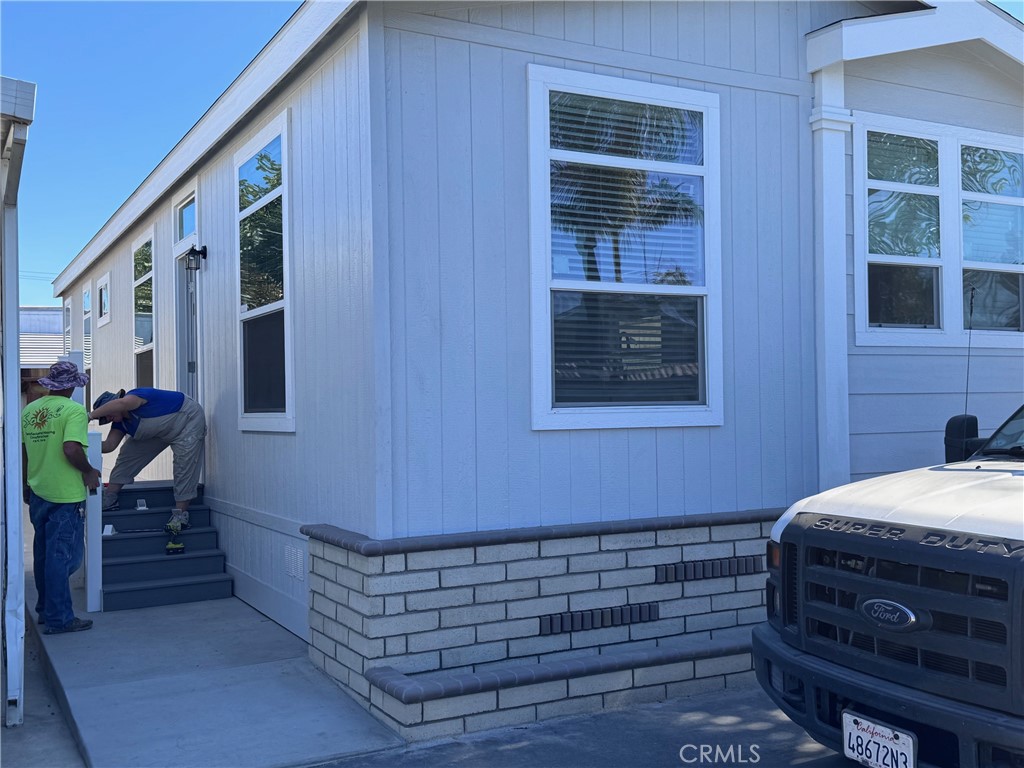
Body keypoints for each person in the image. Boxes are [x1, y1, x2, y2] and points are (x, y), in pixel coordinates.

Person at [21, 361, 101, 634]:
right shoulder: (74, 411)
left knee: (44, 555)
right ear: (70, 385)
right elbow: (71, 449)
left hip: (39, 490)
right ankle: (60, 618)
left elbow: (24, 451)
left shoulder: (30, 411)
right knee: (65, 558)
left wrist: (26, 485)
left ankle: (47, 610)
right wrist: (89, 471)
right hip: (66, 496)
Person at [89, 387, 207, 531]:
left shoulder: (135, 397)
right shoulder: (120, 423)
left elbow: (122, 404)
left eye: (106, 414)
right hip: (161, 431)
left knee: (184, 466)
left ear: (113, 403)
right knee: (127, 455)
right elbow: (109, 446)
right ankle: (110, 499)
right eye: (104, 419)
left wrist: (89, 416)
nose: (107, 419)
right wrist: (80, 443)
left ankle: (180, 515)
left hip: (188, 421)